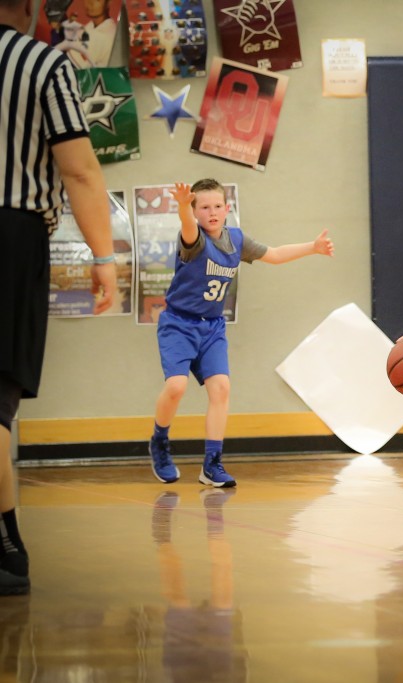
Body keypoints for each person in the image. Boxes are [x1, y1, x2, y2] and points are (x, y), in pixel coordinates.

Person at [1, 0, 117, 596]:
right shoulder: (42, 64)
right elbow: (79, 171)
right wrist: (104, 257)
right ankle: (3, 544)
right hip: (11, 234)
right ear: (26, 8)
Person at [149, 180, 334, 488]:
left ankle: (212, 464)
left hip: (211, 326)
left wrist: (311, 248)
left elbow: (273, 254)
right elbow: (186, 225)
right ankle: (159, 441)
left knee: (221, 388)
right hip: (179, 324)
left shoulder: (235, 239)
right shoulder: (193, 239)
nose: (212, 212)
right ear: (195, 211)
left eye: (217, 206)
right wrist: (183, 206)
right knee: (176, 387)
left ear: (227, 208)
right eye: (204, 207)